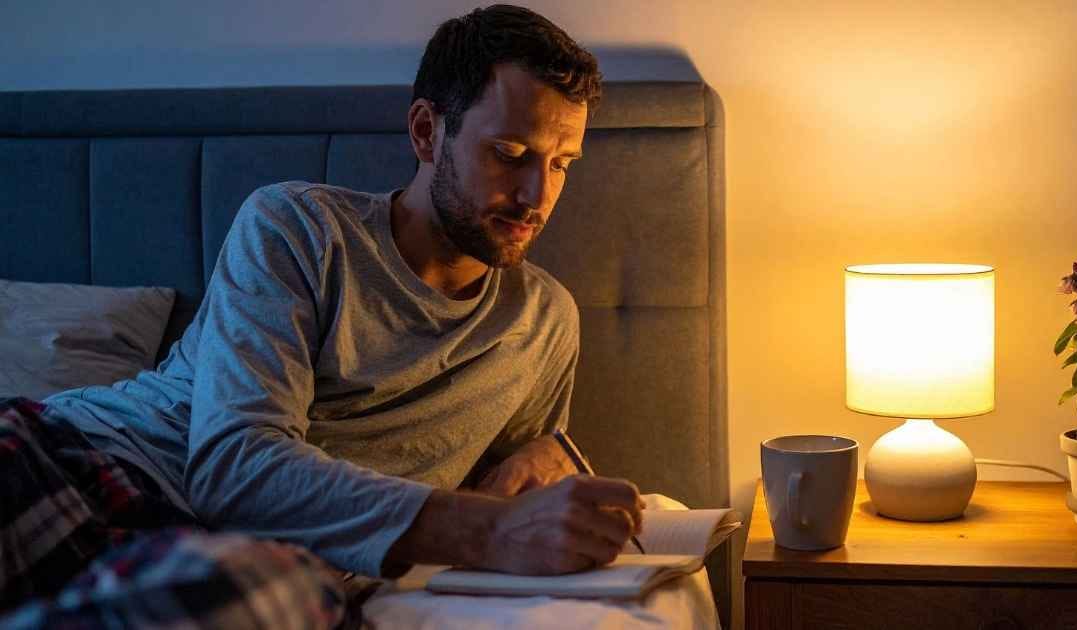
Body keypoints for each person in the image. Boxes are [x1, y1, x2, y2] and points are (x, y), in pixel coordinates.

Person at [0, 5, 643, 627]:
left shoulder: (545, 323)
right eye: (509, 153)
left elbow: (504, 500)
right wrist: (495, 527)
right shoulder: (299, 228)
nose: (538, 195)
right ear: (426, 131)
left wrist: (538, 478)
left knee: (260, 594)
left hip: (255, 561)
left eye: (562, 164)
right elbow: (235, 468)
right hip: (83, 461)